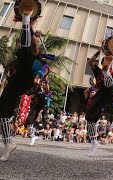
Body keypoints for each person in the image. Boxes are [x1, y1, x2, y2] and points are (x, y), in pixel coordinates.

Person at [0, 5, 42, 161]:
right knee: (4, 112)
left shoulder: (31, 53)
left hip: (24, 77)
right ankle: (8, 144)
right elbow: (21, 41)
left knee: (24, 49)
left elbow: (31, 46)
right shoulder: (22, 51)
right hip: (17, 81)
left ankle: (25, 17)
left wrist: (28, 22)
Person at [85, 45, 113, 156]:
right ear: (102, 64)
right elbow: (90, 62)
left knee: (108, 81)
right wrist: (98, 52)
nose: (106, 62)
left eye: (107, 61)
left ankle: (107, 74)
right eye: (105, 62)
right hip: (100, 94)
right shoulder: (97, 71)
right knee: (90, 117)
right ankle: (94, 142)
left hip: (110, 92)